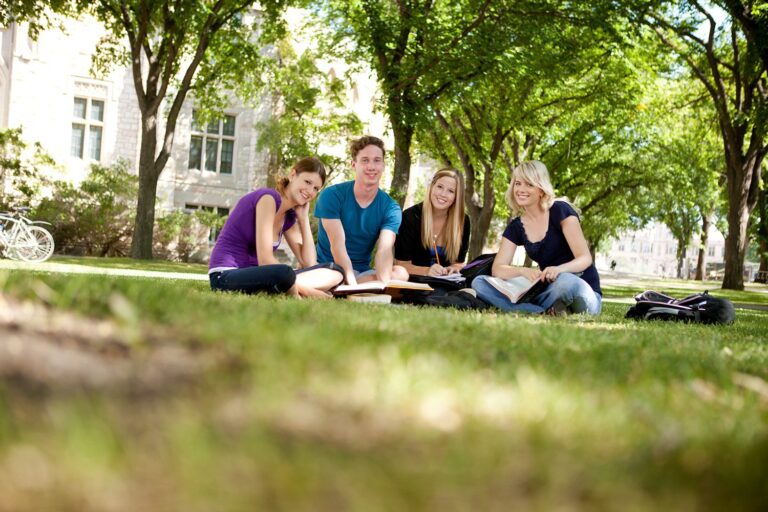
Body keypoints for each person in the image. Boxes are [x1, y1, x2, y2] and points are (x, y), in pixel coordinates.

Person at [472, 160, 602, 315]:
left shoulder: (561, 211)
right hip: (548, 289)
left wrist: (559, 270)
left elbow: (585, 258)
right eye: (518, 183)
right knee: (479, 282)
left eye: (529, 184)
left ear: (541, 190)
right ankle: (540, 310)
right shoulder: (516, 226)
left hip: (582, 289)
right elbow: (497, 268)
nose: (521, 189)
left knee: (566, 282)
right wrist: (523, 272)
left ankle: (545, 307)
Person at [208, 157, 343, 298]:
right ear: (292, 175)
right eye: (307, 182)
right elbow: (265, 260)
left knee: (335, 271)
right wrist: (310, 291)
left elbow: (309, 263)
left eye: (316, 188)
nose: (310, 191)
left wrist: (303, 219)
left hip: (260, 276)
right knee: (284, 272)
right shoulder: (268, 198)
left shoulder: (289, 218)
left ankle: (284, 287)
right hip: (226, 275)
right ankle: (305, 291)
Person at [314, 136, 408, 285]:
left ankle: (346, 287)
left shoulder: (391, 208)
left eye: (377, 160)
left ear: (383, 165)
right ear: (354, 165)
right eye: (365, 160)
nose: (371, 166)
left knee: (401, 273)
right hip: (329, 267)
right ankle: (347, 286)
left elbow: (384, 250)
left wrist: (384, 284)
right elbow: (338, 245)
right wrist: (352, 284)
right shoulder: (332, 195)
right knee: (335, 276)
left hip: (362, 273)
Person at [394, 168, 470, 276]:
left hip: (445, 285)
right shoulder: (410, 217)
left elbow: (459, 263)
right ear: (431, 187)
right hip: (414, 284)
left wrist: (453, 268)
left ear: (457, 197)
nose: (443, 194)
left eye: (451, 191)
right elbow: (401, 264)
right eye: (440, 187)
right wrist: (426, 271)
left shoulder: (463, 221)